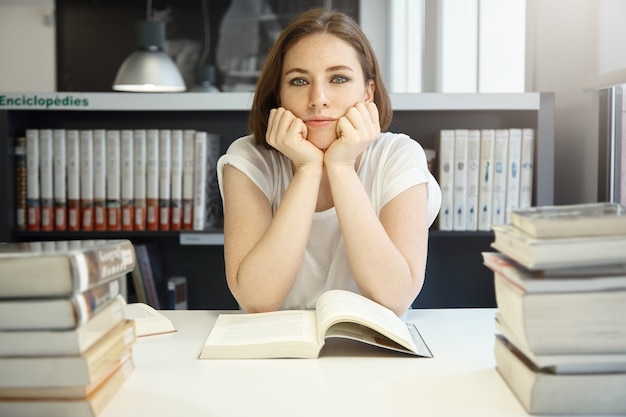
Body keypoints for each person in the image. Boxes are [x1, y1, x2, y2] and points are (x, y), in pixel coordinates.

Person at [216, 8, 441, 317]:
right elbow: (257, 299)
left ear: (367, 92)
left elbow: (394, 298)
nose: (318, 98)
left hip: (373, 355)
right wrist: (308, 170)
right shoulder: (249, 160)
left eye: (338, 78)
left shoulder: (399, 157)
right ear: (278, 95)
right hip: (274, 354)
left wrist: (341, 168)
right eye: (298, 81)